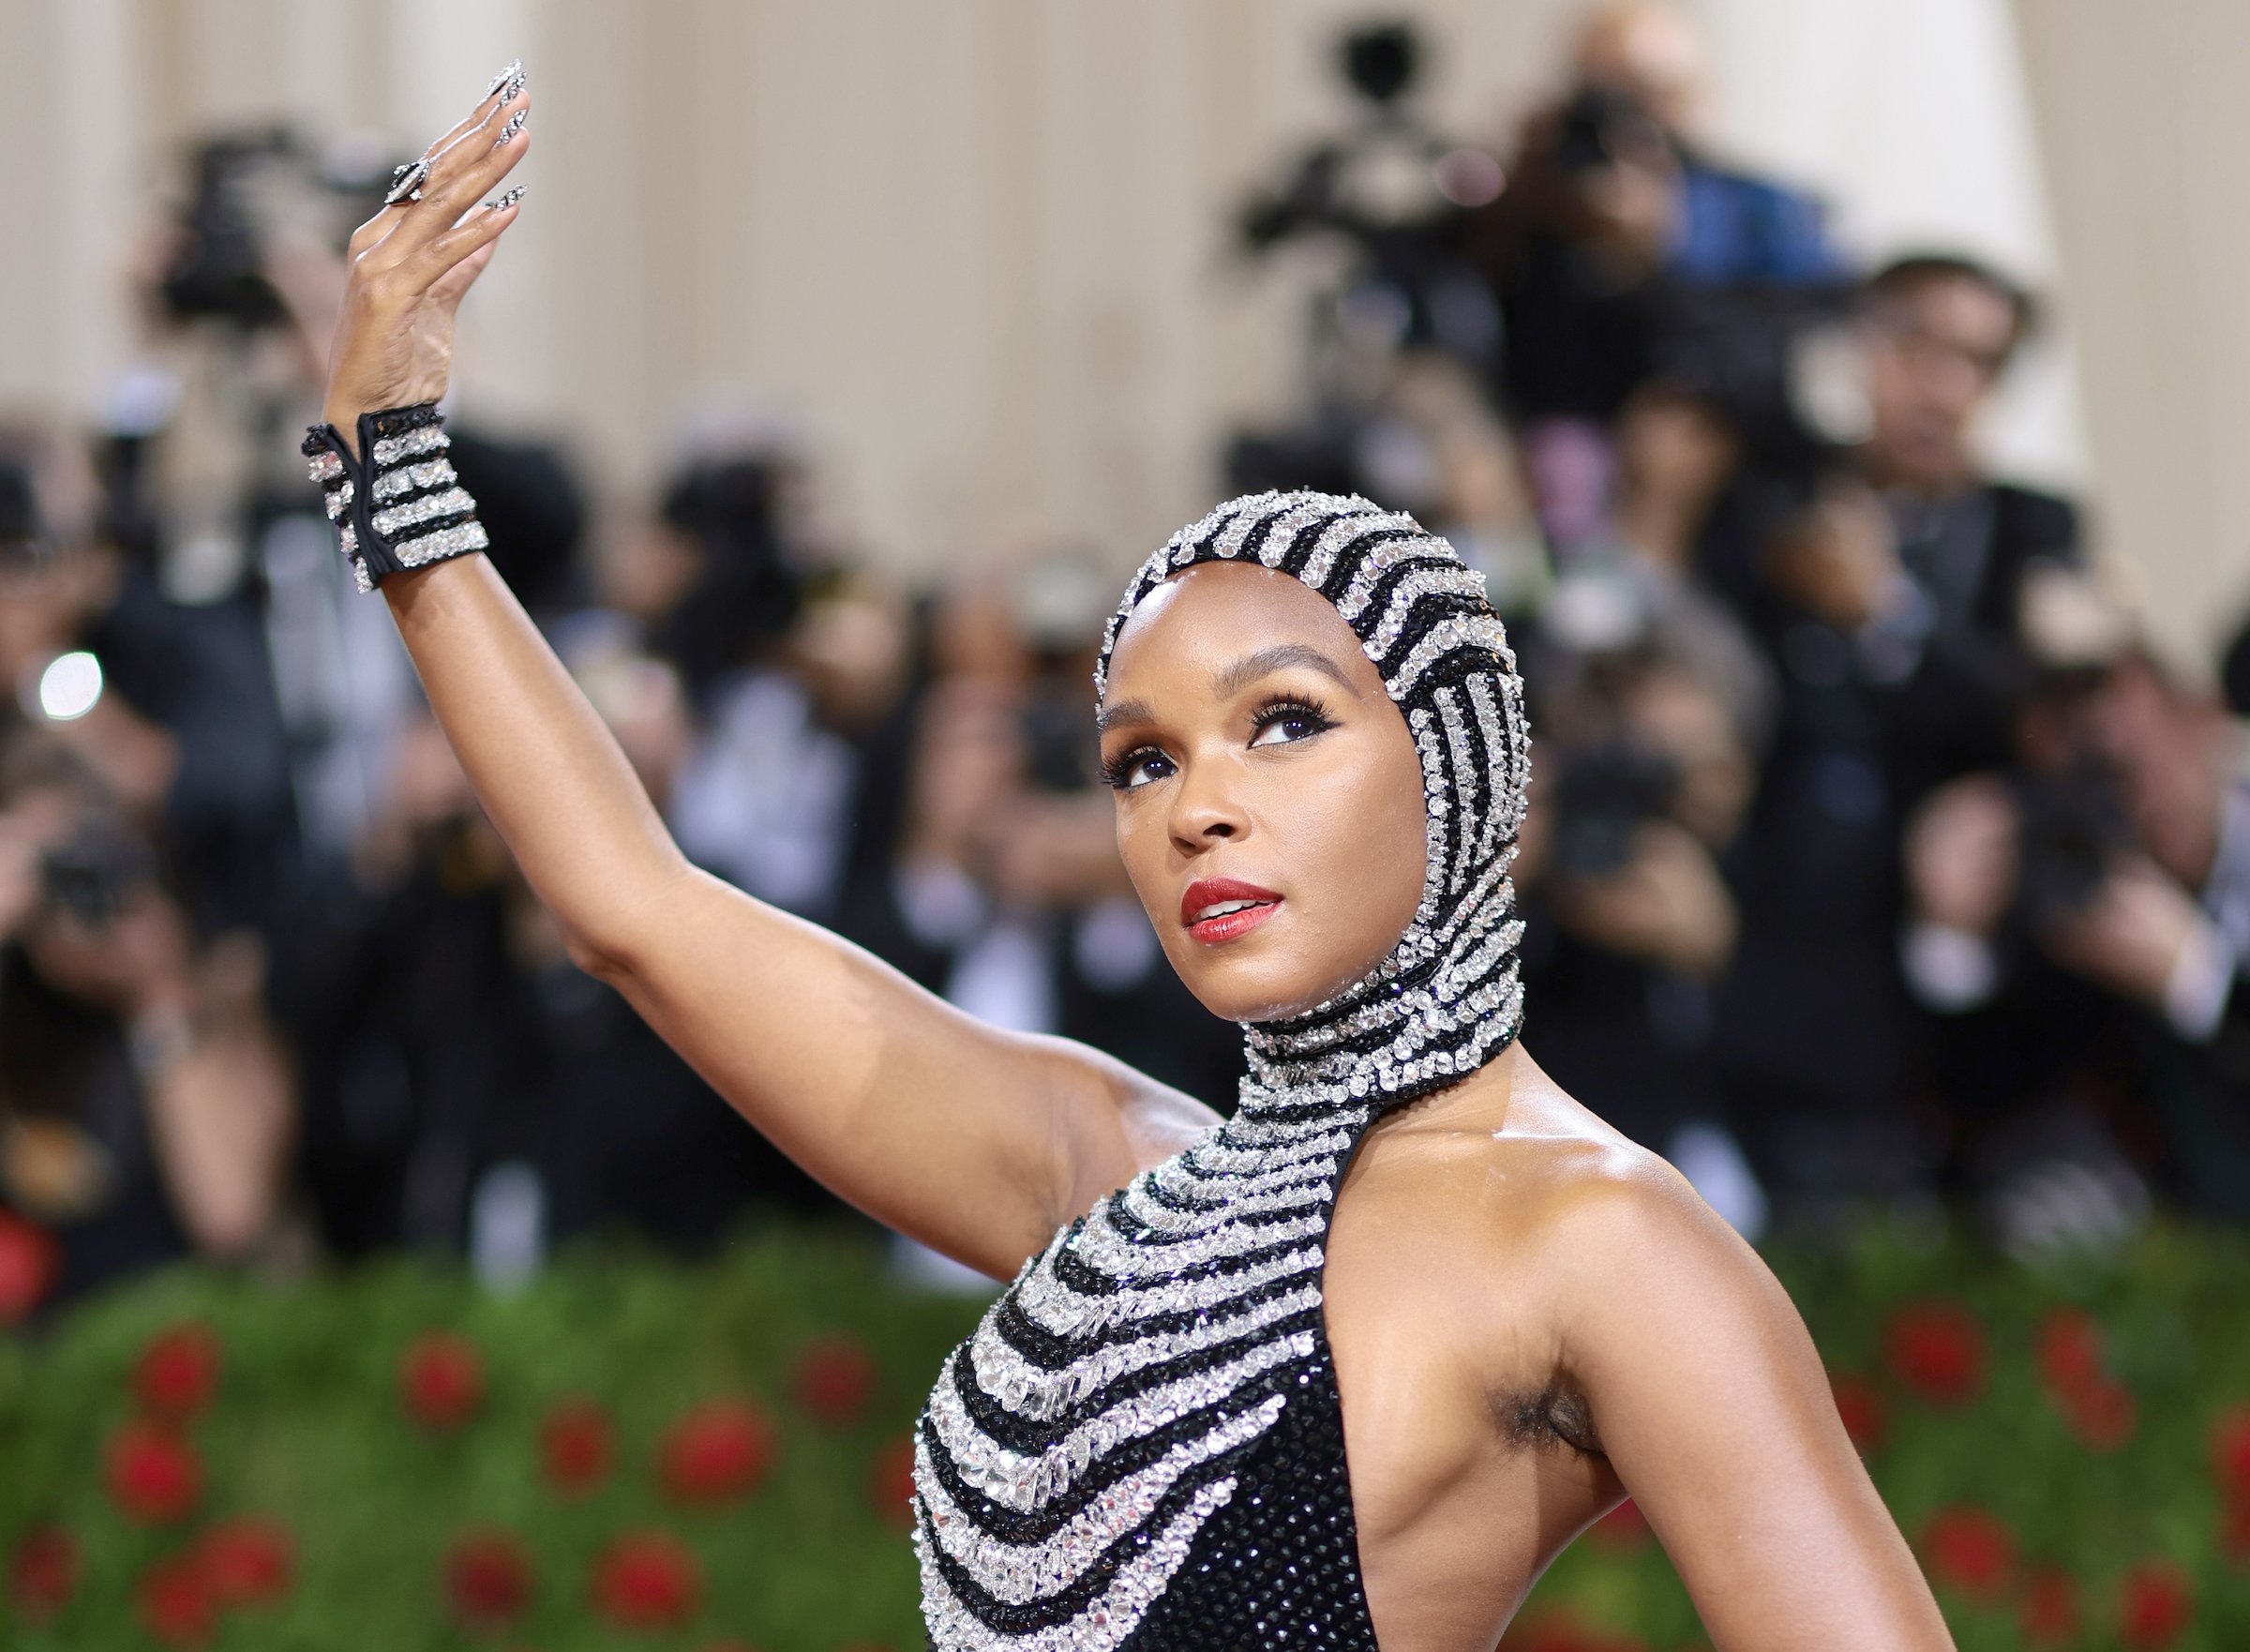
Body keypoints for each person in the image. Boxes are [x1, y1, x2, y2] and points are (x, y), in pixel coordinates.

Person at [304, 69, 1952, 1648]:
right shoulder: (1109, 1170)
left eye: (1284, 722)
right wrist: (396, 470)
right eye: (1140, 761)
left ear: (1464, 765)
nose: (1194, 807)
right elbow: (638, 913)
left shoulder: (1601, 1240)